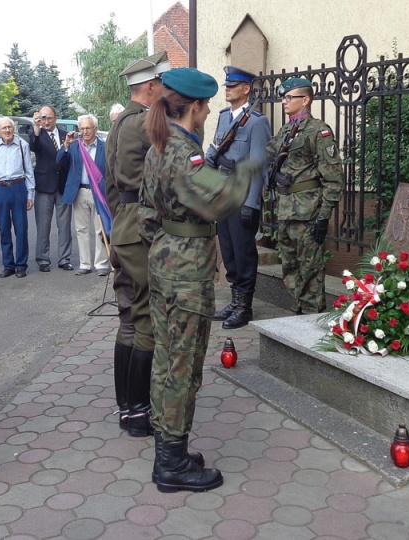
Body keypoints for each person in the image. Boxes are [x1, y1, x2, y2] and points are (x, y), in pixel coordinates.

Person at [140, 67, 263, 493]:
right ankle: (171, 464)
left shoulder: (159, 146)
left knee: (167, 358)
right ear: (193, 106)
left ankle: (169, 449)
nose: (209, 110)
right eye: (206, 104)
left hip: (166, 261)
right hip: (185, 271)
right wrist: (248, 168)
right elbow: (224, 200)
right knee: (183, 364)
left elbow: (146, 213)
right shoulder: (182, 152)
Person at [106, 51, 169, 437]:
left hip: (123, 225)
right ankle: (139, 412)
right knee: (144, 317)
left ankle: (126, 407)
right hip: (141, 228)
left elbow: (112, 185)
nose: (166, 90)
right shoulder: (145, 122)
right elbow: (155, 181)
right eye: (162, 84)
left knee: (129, 316)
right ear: (150, 87)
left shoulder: (119, 123)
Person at [266, 77, 343, 314]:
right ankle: (297, 311)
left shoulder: (319, 131)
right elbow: (270, 155)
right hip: (286, 209)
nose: (284, 101)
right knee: (289, 266)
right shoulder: (286, 130)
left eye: (290, 97)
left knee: (310, 269)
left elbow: (333, 176)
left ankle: (311, 317)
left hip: (308, 212)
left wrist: (323, 216)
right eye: (283, 97)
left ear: (306, 100)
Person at [205, 66, 272, 328]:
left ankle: (245, 307)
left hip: (243, 195)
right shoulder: (223, 117)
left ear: (246, 89)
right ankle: (235, 301)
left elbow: (259, 164)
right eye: (227, 85)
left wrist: (252, 203)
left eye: (233, 85)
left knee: (244, 253)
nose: (227, 88)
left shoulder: (257, 122)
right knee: (229, 252)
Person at [57, 114, 109, 276]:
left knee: (100, 229)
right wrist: (65, 144)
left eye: (88, 128)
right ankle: (85, 264)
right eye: (82, 128)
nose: (85, 131)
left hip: (98, 192)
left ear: (95, 129)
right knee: (81, 229)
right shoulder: (74, 146)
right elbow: (59, 161)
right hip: (79, 191)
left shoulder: (104, 146)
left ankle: (101, 264)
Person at [0, 117, 35, 279]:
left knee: (21, 229)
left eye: (9, 127)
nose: (7, 130)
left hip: (18, 188)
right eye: (3, 128)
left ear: (14, 129)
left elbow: (28, 171)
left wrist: (30, 194)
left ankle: (21, 265)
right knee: (3, 229)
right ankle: (8, 265)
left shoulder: (22, 145)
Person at [30, 106, 73, 272]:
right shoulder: (37, 134)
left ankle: (64, 259)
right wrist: (36, 126)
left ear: (55, 118)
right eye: (43, 118)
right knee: (43, 225)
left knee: (64, 225)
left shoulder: (64, 134)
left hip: (62, 185)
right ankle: (43, 259)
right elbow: (33, 146)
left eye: (48, 118)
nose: (45, 121)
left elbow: (70, 157)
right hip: (44, 185)